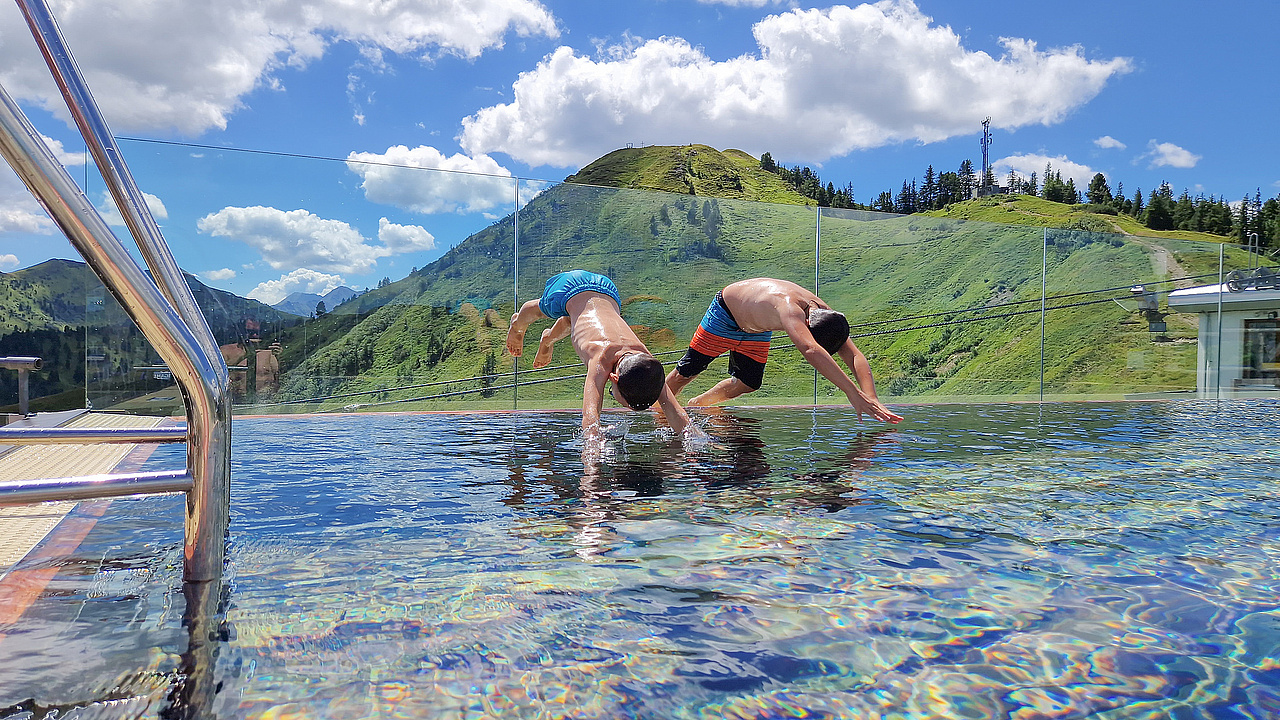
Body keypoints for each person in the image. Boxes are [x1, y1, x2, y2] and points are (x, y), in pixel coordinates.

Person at [665, 277, 902, 423]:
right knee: (686, 373)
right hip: (726, 315)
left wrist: (870, 396)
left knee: (747, 383)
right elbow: (810, 349)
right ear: (806, 327)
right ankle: (658, 414)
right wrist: (853, 394)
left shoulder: (827, 315)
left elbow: (855, 355)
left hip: (756, 328)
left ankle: (699, 404)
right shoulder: (790, 310)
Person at [506, 270, 694, 439]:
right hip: (567, 289)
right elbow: (590, 419)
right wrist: (592, 469)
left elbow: (676, 412)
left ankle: (548, 338)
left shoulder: (644, 362)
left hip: (606, 290)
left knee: (573, 319)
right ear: (613, 378)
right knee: (541, 310)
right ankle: (518, 325)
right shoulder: (600, 359)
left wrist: (694, 439)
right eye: (615, 395)